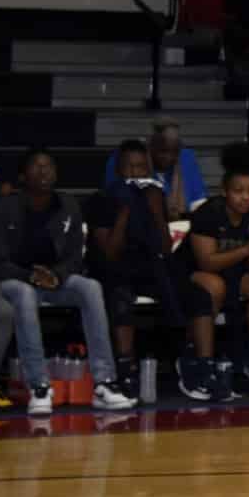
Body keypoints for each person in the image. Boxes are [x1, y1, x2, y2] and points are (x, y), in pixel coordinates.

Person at [0, 148, 136, 414]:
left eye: (49, 166)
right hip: (15, 280)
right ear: (23, 176)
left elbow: (74, 257)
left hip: (53, 281)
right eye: (37, 166)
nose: (44, 171)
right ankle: (39, 385)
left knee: (90, 287)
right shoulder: (4, 207)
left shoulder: (68, 205)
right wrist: (30, 276)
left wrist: (56, 275)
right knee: (24, 293)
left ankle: (104, 382)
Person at [168, 143, 249, 401]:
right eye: (238, 191)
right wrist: (248, 248)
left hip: (234, 273)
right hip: (190, 271)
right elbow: (207, 262)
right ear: (224, 191)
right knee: (215, 285)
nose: (245, 197)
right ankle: (195, 360)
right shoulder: (208, 213)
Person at [84, 137, 174, 382]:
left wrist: (157, 212)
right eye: (129, 167)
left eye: (141, 167)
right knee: (119, 292)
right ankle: (126, 364)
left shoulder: (154, 197)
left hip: (144, 266)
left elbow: (165, 249)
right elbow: (109, 253)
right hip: (108, 268)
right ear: (118, 170)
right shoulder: (101, 199)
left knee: (179, 286)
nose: (135, 173)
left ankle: (185, 359)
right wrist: (124, 211)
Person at [103, 118, 207, 220]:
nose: (169, 157)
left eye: (175, 152)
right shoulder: (128, 157)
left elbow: (198, 203)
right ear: (151, 146)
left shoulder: (186, 157)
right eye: (163, 151)